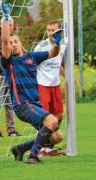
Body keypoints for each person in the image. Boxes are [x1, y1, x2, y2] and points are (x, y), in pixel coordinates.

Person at [0, 0, 64, 164]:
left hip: (35, 104)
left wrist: (56, 43)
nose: (13, 44)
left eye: (15, 42)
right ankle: (33, 156)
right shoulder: (9, 62)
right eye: (11, 43)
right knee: (53, 121)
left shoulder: (31, 57)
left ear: (20, 43)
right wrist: (6, 20)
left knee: (57, 136)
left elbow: (53, 53)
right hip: (22, 105)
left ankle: (21, 148)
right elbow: (4, 41)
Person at [34, 20, 67, 156]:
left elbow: (57, 63)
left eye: (54, 30)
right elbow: (32, 64)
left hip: (55, 85)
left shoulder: (63, 45)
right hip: (42, 86)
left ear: (59, 31)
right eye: (48, 30)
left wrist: (68, 76)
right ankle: (40, 149)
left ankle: (48, 148)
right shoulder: (40, 47)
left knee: (58, 116)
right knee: (45, 119)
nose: (51, 33)